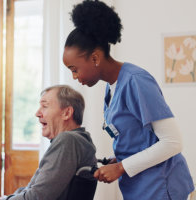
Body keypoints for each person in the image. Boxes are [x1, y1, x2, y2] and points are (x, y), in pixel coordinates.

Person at [62, 0, 195, 199]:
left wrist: (122, 167)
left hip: (162, 188)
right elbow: (142, 139)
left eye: (75, 69)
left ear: (95, 58)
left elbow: (173, 142)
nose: (75, 77)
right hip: (140, 189)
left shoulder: (136, 81)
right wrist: (117, 159)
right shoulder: (111, 87)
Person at [0, 85, 97, 200]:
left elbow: (37, 197)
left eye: (44, 106)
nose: (37, 113)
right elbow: (33, 191)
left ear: (66, 113)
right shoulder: (81, 140)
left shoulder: (68, 140)